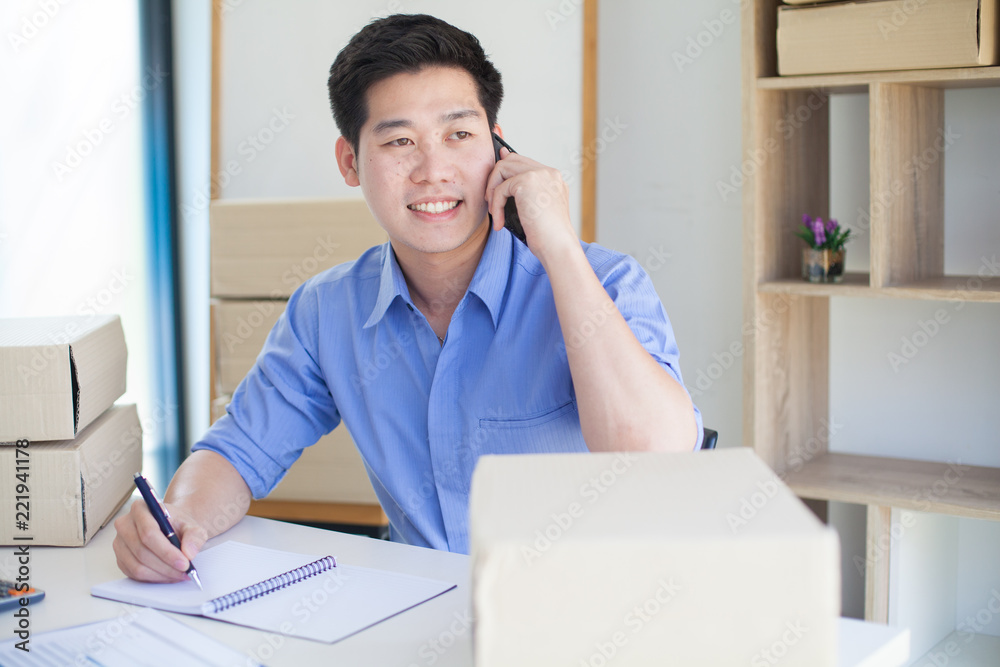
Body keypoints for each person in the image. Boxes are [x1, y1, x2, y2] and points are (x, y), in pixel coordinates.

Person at [113, 13, 701, 583]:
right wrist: (181, 515)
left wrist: (560, 248)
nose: (433, 169)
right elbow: (237, 452)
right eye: (399, 142)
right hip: (422, 621)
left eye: (459, 135)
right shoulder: (328, 311)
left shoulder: (607, 281)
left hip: (591, 618)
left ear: (500, 148)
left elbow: (653, 455)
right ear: (351, 162)